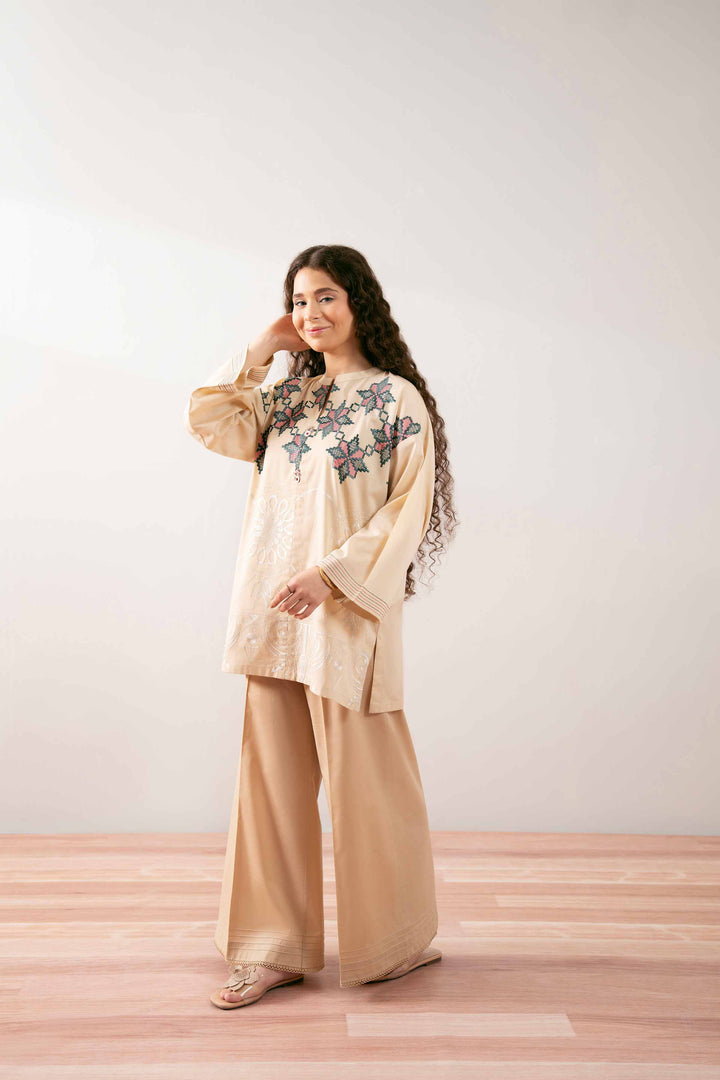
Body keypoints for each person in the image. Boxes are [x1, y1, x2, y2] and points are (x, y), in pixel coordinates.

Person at [184, 244, 458, 1009]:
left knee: (371, 789)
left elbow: (407, 508)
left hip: (343, 615)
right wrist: (258, 351)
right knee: (269, 790)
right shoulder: (284, 399)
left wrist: (330, 575)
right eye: (299, 300)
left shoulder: (395, 400)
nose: (310, 313)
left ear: (359, 301)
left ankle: (395, 944)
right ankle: (270, 950)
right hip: (273, 617)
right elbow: (209, 420)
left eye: (326, 296)